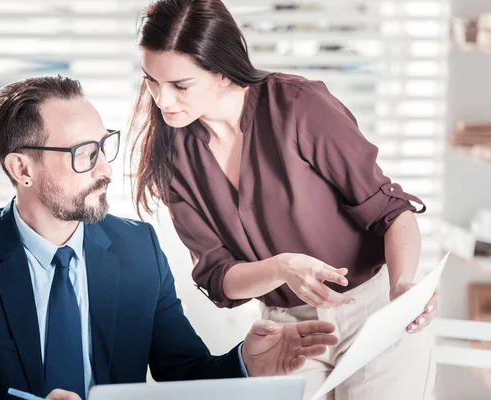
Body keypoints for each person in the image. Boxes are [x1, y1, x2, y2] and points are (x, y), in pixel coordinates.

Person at [0, 75, 339, 400]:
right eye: (82, 154)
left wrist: (246, 364)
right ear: (22, 169)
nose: (105, 169)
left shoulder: (138, 249)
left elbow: (183, 371)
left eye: (102, 146)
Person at [128, 1, 440, 399]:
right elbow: (218, 277)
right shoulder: (172, 157)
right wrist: (281, 268)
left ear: (221, 71)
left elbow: (392, 214)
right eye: (151, 81)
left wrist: (403, 288)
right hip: (288, 332)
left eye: (180, 85)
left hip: (373, 310)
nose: (162, 101)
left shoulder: (297, 105)